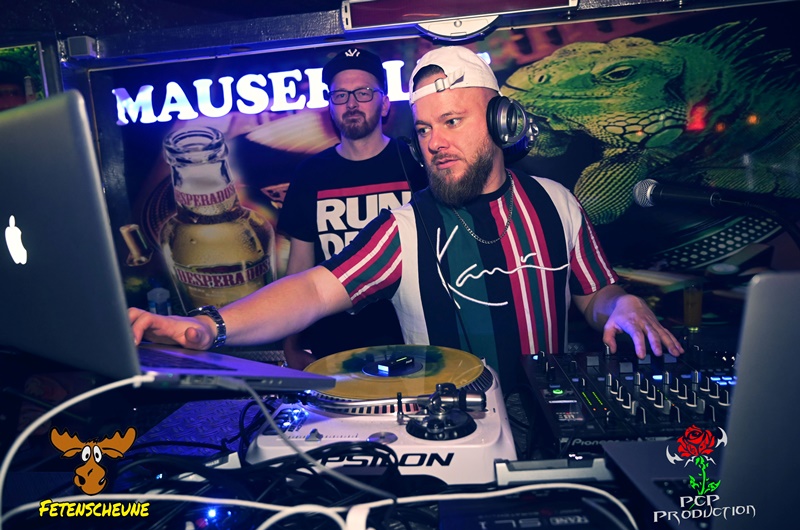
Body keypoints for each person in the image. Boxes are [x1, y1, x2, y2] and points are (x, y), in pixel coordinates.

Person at [130, 46, 683, 391]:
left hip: (552, 420)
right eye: (423, 129)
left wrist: (622, 304)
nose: (434, 143)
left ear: (501, 121)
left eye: (452, 122)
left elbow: (595, 294)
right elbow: (314, 289)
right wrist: (210, 326)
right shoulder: (405, 226)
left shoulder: (557, 202)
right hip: (453, 426)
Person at [277, 47, 426, 369]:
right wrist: (291, 344)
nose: (352, 103)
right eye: (340, 95)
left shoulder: (417, 163)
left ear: (384, 104)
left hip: (412, 342)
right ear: (330, 106)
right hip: (333, 347)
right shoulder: (310, 173)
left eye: (363, 92)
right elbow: (299, 267)